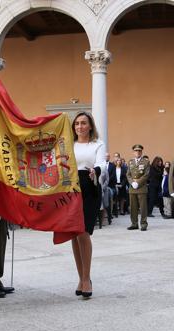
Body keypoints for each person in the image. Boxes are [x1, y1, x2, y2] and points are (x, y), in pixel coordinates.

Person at [72, 111, 104, 298]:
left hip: (89, 185)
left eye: (83, 123)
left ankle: (86, 278)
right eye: (77, 124)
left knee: (83, 232)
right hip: (71, 188)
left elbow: (102, 164)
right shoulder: (69, 144)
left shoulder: (97, 144)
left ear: (90, 126)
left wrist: (96, 170)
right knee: (74, 234)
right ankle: (81, 277)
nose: (80, 127)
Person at [126, 144, 150, 231]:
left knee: (143, 207)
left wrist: (138, 182)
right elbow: (128, 174)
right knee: (133, 207)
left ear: (141, 152)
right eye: (136, 151)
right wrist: (132, 182)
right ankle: (134, 223)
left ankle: (143, 224)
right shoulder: (131, 162)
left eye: (139, 151)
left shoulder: (146, 162)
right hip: (132, 188)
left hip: (141, 187)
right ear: (133, 152)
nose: (138, 152)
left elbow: (146, 175)